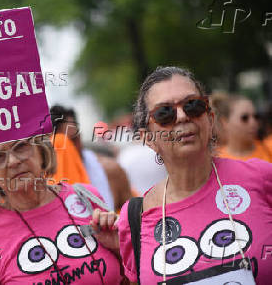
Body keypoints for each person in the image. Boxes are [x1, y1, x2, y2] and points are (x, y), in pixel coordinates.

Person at [94, 66, 272, 284]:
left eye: (193, 106)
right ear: (148, 138)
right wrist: (113, 253)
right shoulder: (135, 217)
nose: (182, 116)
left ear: (210, 118)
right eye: (164, 113)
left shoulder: (261, 178)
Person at [0, 135, 124, 284]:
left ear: (41, 150)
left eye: (20, 147)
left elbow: (129, 276)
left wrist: (119, 247)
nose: (13, 161)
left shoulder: (86, 197)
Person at [50, 105, 132, 212]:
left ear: (79, 136)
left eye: (72, 140)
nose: (68, 151)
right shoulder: (42, 183)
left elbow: (132, 217)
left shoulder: (110, 170)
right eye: (60, 146)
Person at [217, 94, 272, 162]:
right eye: (244, 118)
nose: (253, 122)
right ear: (224, 122)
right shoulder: (217, 160)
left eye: (256, 116)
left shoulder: (269, 149)